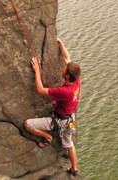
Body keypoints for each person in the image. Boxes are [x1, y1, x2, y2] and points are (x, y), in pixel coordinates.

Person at [24, 38, 81, 176]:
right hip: (70, 118)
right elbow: (67, 57)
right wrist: (60, 43)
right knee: (69, 143)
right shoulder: (76, 80)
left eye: (64, 69)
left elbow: (40, 90)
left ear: (67, 76)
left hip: (60, 120)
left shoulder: (63, 91)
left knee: (28, 125)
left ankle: (47, 137)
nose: (62, 67)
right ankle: (74, 169)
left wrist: (37, 71)